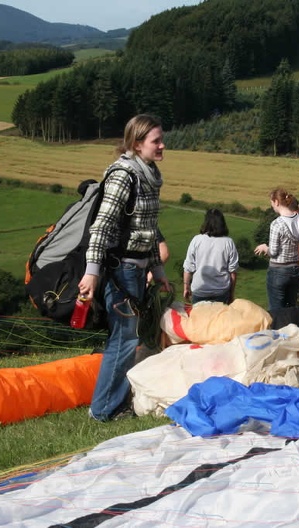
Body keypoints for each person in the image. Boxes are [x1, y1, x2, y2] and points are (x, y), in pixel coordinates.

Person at [78, 114, 171, 422]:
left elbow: (149, 228)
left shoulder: (149, 173)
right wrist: (92, 271)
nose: (162, 146)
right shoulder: (123, 175)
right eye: (156, 141)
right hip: (121, 272)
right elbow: (102, 226)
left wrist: (157, 271)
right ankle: (102, 409)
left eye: (161, 139)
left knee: (131, 337)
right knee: (124, 338)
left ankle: (115, 401)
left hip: (138, 269)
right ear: (136, 143)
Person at [254, 188, 299, 311]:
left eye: (271, 202)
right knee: (291, 308)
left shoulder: (277, 224)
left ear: (276, 202)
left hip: (279, 270)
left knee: (276, 311)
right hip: (296, 268)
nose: (272, 206)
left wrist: (265, 247)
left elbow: (273, 252)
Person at [183, 208, 239, 304]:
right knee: (220, 319)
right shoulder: (228, 242)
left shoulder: (196, 240)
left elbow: (188, 268)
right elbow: (233, 272)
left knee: (199, 318)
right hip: (221, 292)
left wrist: (186, 287)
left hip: (200, 290)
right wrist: (231, 294)